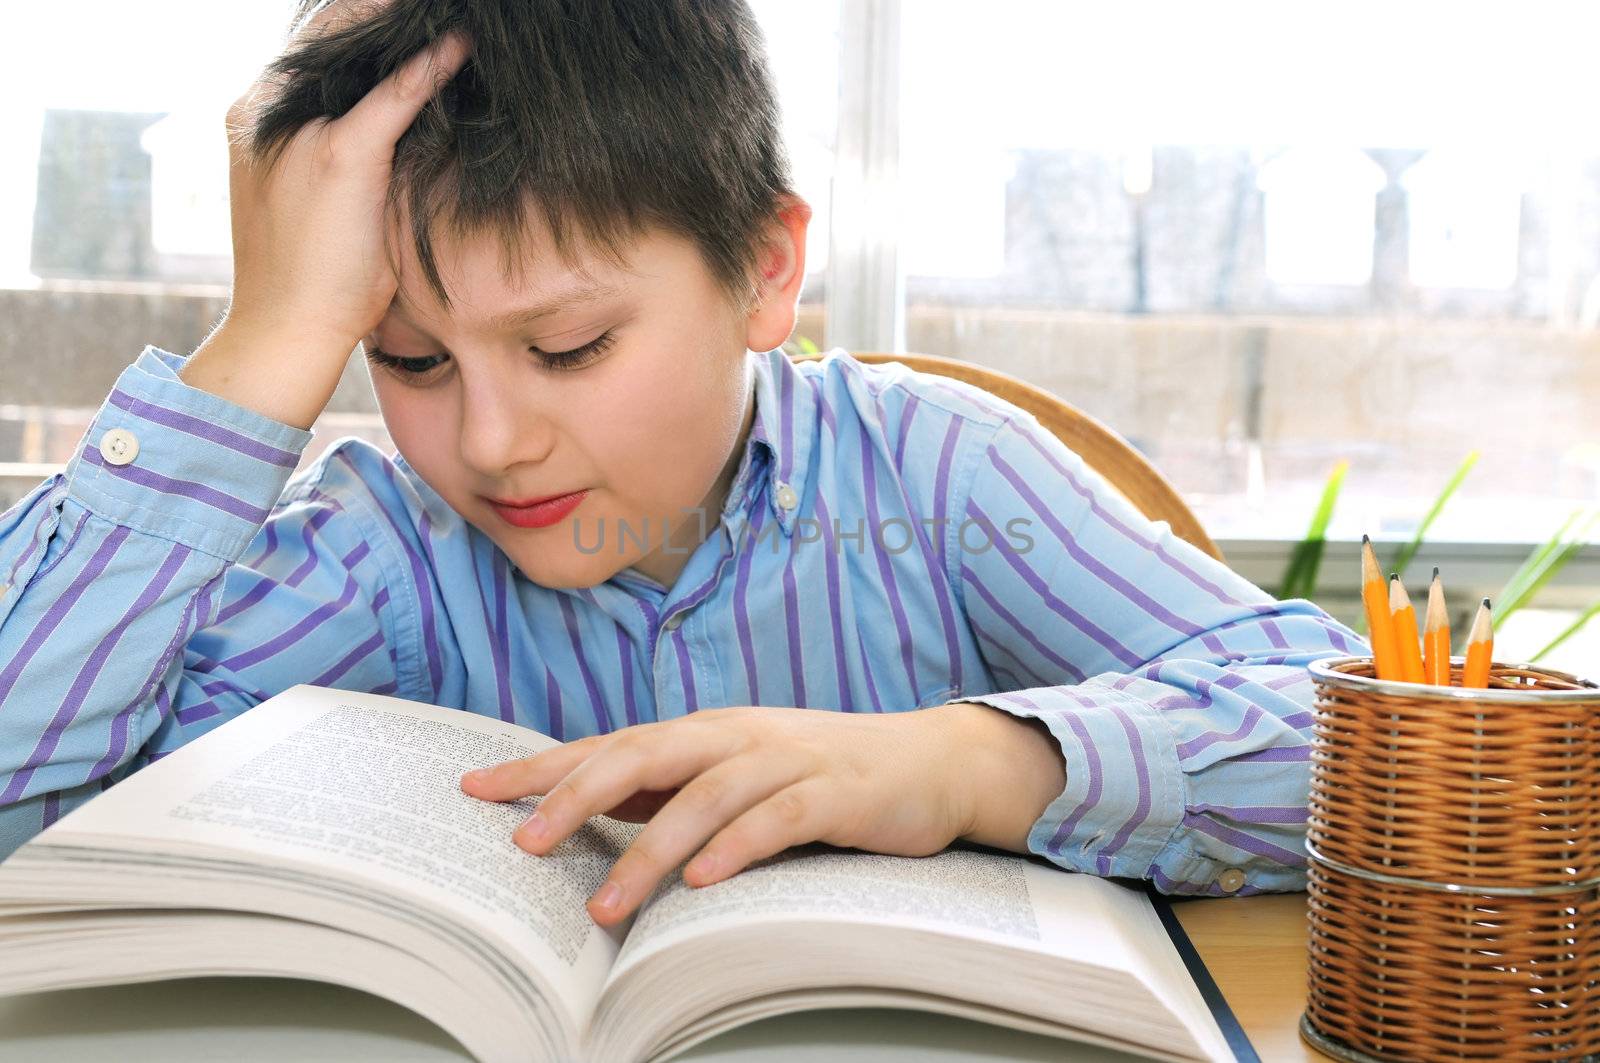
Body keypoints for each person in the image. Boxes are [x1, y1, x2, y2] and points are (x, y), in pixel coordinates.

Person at [0, 0, 1364, 927]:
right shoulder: (382, 548)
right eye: (407, 361)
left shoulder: (941, 476)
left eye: (573, 344)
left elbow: (1371, 741)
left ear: (765, 271)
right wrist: (272, 337)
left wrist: (978, 766)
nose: (490, 441)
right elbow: (29, 809)